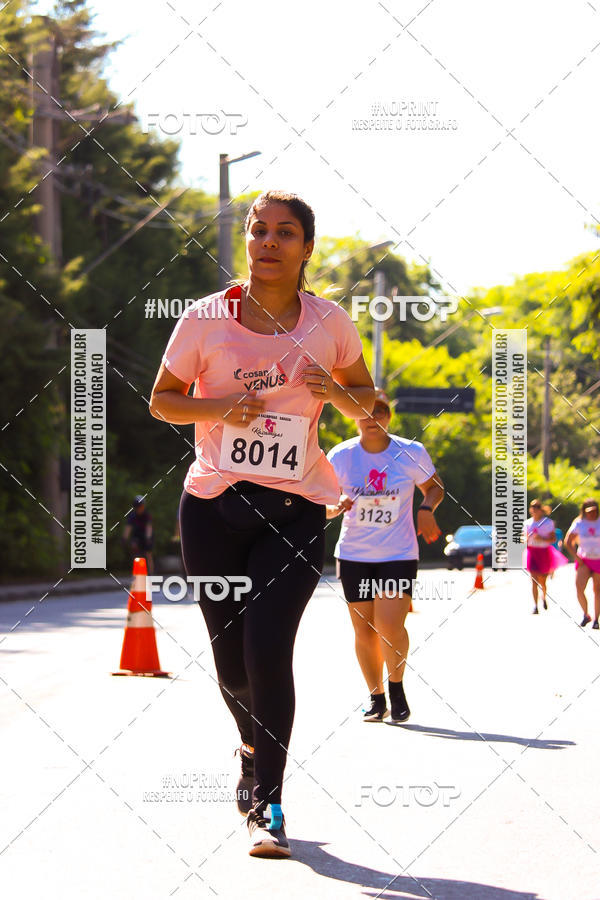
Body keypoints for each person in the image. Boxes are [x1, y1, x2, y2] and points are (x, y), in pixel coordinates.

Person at [149, 190, 374, 858]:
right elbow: (163, 402)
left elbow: (374, 407)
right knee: (231, 665)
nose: (269, 242)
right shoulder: (204, 319)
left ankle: (268, 805)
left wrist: (337, 393)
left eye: (285, 232)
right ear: (247, 241)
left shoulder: (330, 323)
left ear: (307, 248)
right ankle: (251, 746)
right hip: (213, 509)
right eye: (258, 230)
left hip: (295, 511)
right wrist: (220, 408)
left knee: (268, 652)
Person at [326, 389, 444, 725]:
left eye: (379, 410)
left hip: (398, 553)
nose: (372, 417)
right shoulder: (341, 456)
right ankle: (376, 698)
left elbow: (435, 487)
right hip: (354, 554)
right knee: (364, 631)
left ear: (389, 415)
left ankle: (396, 688)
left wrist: (426, 508)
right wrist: (335, 506)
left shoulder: (410, 452)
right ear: (354, 416)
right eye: (364, 411)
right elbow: (321, 502)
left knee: (389, 625)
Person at [522, 500, 568, 614]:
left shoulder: (548, 523)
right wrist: (526, 539)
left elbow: (553, 539)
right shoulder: (527, 523)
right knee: (533, 580)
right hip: (532, 552)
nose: (534, 509)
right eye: (532, 507)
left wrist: (541, 538)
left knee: (542, 580)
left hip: (543, 552)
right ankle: (535, 606)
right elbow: (523, 538)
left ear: (541, 509)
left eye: (537, 507)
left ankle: (543, 596)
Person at [564, 498, 600, 628]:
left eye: (594, 510)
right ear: (584, 511)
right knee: (579, 587)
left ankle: (596, 619)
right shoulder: (579, 523)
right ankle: (586, 614)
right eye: (589, 510)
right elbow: (568, 541)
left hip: (598, 559)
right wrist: (576, 557)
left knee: (597, 590)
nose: (592, 513)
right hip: (584, 559)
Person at [122, 495, 154, 574]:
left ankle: (151, 574)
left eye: (142, 506)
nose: (140, 508)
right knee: (135, 551)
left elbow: (149, 527)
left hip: (146, 535)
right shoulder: (132, 516)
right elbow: (128, 528)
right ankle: (137, 573)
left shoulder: (147, 515)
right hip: (136, 535)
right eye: (138, 507)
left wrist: (148, 538)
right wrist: (124, 538)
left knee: (148, 554)